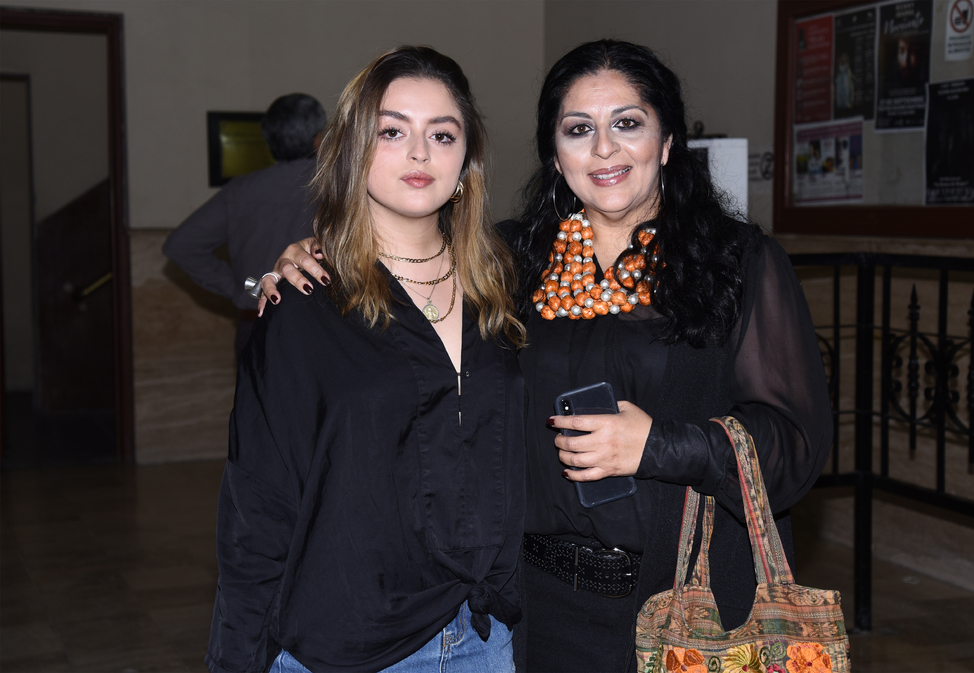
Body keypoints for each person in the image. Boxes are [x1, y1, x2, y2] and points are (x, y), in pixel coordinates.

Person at [260, 40, 832, 673]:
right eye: (579, 129)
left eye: (628, 123)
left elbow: (796, 446)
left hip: (691, 607)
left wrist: (659, 446)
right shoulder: (506, 265)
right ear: (556, 155)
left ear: (667, 142)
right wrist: (316, 255)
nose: (604, 149)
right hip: (538, 612)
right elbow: (404, 257)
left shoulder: (737, 264)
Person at [207, 46, 526, 673]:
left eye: (442, 134)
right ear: (353, 151)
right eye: (392, 131)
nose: (419, 153)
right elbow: (257, 507)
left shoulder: (509, 286)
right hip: (349, 645)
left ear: (466, 161)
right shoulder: (303, 304)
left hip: (487, 638)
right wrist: (235, 658)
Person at [163, 93, 325, 356]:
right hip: (325, 328)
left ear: (269, 141)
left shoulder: (240, 191)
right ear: (319, 138)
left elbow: (180, 245)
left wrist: (246, 288)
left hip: (257, 326)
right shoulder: (338, 187)